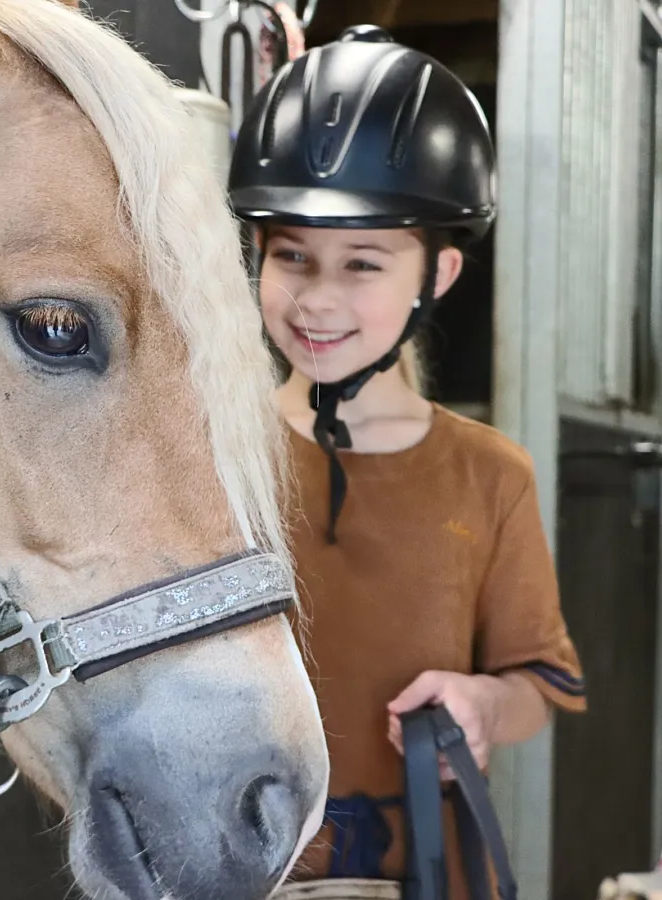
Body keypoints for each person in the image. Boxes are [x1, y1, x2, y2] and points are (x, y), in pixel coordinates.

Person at [228, 24, 586, 898]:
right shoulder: (206, 450)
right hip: (228, 867)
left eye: (362, 264)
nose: (317, 297)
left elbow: (538, 682)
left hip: (419, 872)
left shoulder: (491, 474)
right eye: (291, 257)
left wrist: (482, 707)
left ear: (439, 274)